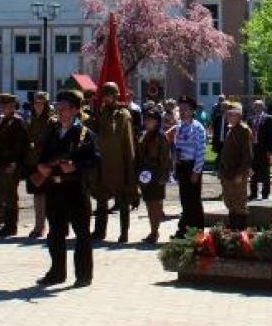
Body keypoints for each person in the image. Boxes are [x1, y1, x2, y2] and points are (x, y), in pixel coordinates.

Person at [35, 89, 99, 288]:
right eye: (58, 108)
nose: (59, 112)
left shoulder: (85, 134)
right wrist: (41, 167)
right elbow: (42, 155)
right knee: (55, 233)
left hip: (76, 189)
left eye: (64, 109)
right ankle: (57, 272)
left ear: (74, 110)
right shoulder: (53, 132)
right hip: (55, 189)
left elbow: (96, 160)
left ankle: (83, 275)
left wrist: (76, 167)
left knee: (82, 234)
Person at [89, 83, 138, 243]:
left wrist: (130, 167)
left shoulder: (123, 115)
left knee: (123, 201)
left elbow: (128, 143)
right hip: (103, 164)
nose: (105, 99)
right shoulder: (101, 113)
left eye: (108, 95)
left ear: (116, 96)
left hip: (119, 165)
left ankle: (124, 233)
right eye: (103, 96)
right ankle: (99, 231)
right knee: (101, 200)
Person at [0, 93, 29, 238]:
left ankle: (11, 226)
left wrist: (14, 162)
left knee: (11, 195)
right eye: (2, 105)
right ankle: (7, 224)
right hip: (2, 163)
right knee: (5, 194)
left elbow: (20, 145)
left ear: (13, 106)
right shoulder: (3, 121)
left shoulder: (17, 121)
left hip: (11, 164)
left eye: (6, 105)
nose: (3, 107)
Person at [171, 95, 207, 237]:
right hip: (182, 167)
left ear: (193, 111)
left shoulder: (197, 127)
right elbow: (176, 146)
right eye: (180, 109)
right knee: (185, 200)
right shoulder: (179, 126)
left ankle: (197, 231)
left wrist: (196, 171)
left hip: (193, 167)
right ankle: (184, 229)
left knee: (194, 201)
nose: (182, 112)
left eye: (185, 109)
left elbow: (201, 151)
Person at [136, 105, 172, 243]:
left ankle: (154, 232)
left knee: (155, 205)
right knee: (148, 203)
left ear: (157, 121)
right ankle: (152, 231)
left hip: (156, 173)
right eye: (146, 119)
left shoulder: (161, 137)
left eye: (151, 120)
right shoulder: (144, 135)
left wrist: (164, 176)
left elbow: (166, 159)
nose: (147, 122)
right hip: (145, 174)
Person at [217, 102, 253, 230]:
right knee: (230, 202)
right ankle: (233, 230)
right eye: (228, 114)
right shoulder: (231, 129)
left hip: (237, 172)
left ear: (239, 115)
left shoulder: (243, 130)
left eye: (232, 114)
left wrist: (241, 173)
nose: (228, 116)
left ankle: (241, 232)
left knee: (239, 203)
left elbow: (247, 154)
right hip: (227, 172)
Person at [24, 91, 54, 238]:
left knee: (49, 196)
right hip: (34, 161)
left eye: (41, 103)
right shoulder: (32, 119)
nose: (38, 105)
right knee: (37, 195)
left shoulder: (51, 121)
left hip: (47, 161)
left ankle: (52, 227)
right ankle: (38, 226)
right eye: (36, 103)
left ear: (46, 104)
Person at [247, 99, 272, 201]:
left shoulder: (269, 118)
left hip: (264, 149)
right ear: (253, 108)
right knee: (252, 172)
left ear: (263, 107)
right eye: (255, 106)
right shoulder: (250, 119)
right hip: (253, 149)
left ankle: (265, 193)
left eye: (259, 106)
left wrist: (271, 150)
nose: (257, 108)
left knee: (265, 172)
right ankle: (253, 193)